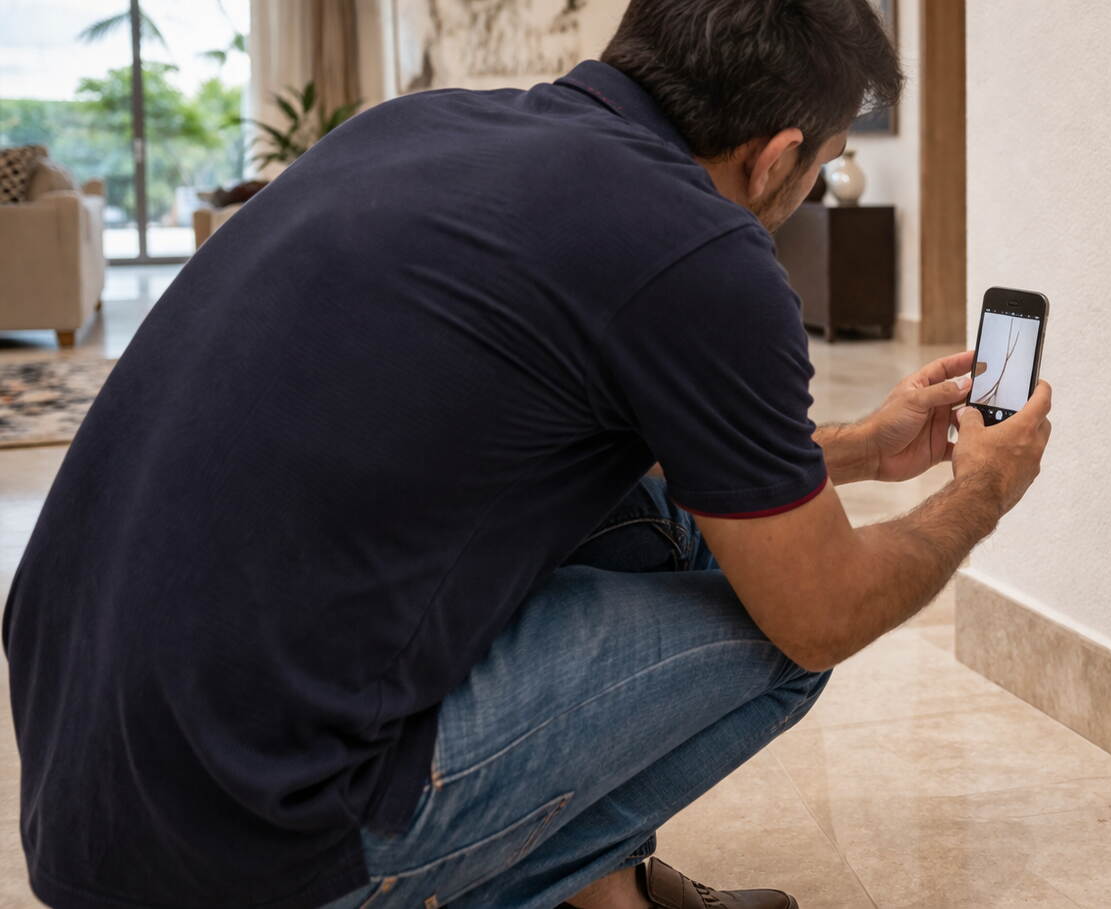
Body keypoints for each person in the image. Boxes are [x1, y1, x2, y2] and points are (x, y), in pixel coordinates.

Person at [2, 1, 1054, 906]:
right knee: (788, 636)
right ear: (777, 155)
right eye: (818, 168)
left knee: (650, 523)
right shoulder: (700, 249)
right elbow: (819, 608)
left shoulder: (418, 128)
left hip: (88, 802)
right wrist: (979, 494)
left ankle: (602, 890)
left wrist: (862, 454)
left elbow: (581, 449)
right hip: (251, 848)